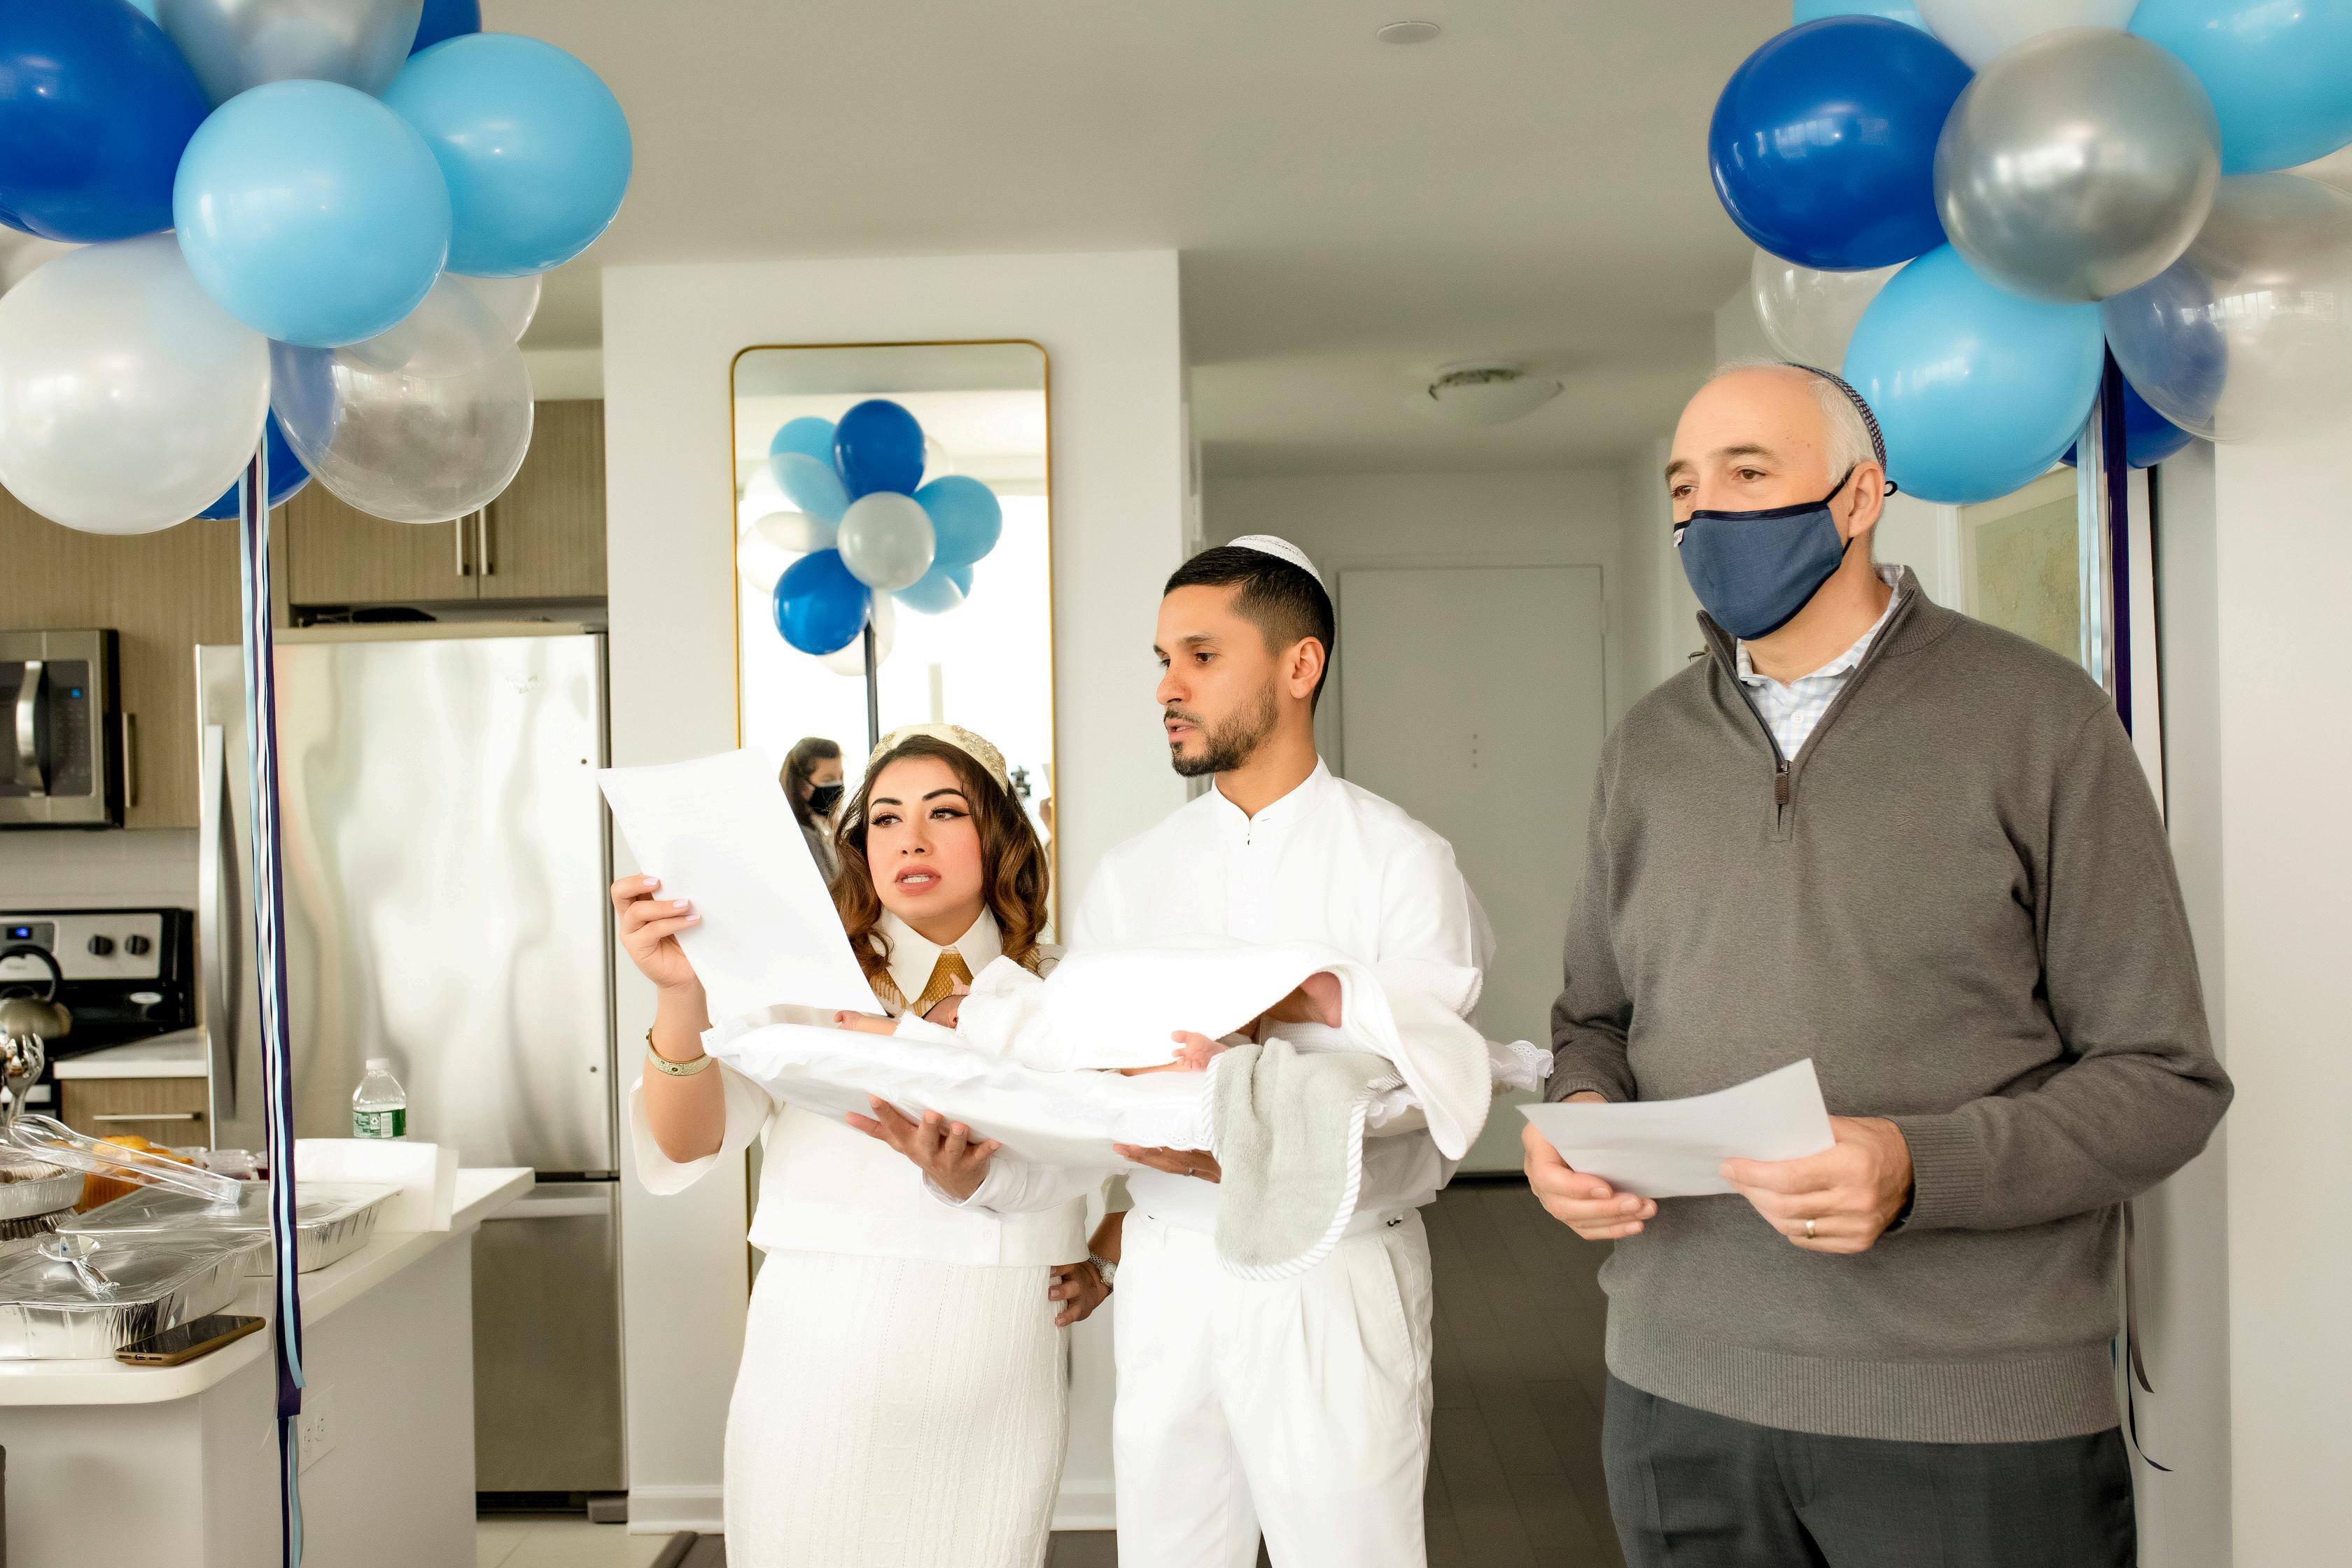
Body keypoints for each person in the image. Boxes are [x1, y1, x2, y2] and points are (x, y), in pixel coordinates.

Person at [1523, 361, 2233, 1568]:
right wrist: (1582, 1114)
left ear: (1858, 499)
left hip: (1974, 1419)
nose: (1707, 515)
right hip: (1676, 1404)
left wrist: (1917, 1170)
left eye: (1750, 474)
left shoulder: (2041, 719)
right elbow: (1592, 1020)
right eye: (1685, 488)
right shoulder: (1646, 749)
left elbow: (2165, 1081)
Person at [863, 536, 1489, 1568]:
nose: (1167, 686)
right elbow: (1088, 1103)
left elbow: (1432, 1089)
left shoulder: (1401, 864)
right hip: (1167, 1271)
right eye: (1163, 659)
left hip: (1328, 1275)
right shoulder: (1129, 878)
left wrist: (1256, 1137)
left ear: (1300, 665)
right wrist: (985, 1176)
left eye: (1201, 656)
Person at [615, 723, 1111, 1568]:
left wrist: (1103, 1251)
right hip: (817, 1366)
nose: (909, 838)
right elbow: (687, 1138)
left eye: (944, 811)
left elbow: (1132, 1137)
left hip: (1001, 1375)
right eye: (884, 817)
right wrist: (681, 994)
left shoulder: (1069, 991)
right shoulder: (803, 985)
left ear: (1000, 836)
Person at [780, 734, 844, 880]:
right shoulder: (798, 837)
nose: (838, 786)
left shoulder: (828, 826)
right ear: (801, 785)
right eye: (828, 780)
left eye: (840, 777)